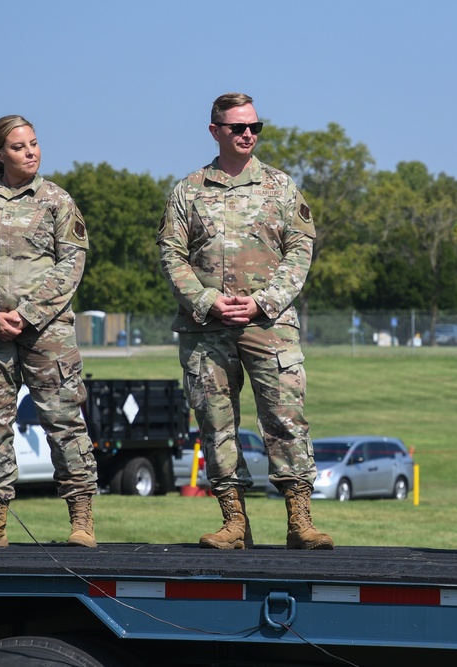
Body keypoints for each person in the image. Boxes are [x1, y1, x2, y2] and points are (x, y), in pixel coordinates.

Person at [158, 92, 332, 550]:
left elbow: (300, 249)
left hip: (269, 325)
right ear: (215, 131)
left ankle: (300, 521)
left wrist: (263, 302)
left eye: (255, 126)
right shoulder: (187, 190)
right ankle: (234, 521)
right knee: (216, 424)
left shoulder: (281, 186)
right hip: (205, 329)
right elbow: (171, 256)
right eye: (238, 127)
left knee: (285, 418)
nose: (248, 134)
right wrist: (207, 300)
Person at [0, 115, 98, 548]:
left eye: (34, 143)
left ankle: (81, 520)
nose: (30, 152)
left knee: (64, 423)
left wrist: (29, 314)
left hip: (47, 333)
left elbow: (71, 263)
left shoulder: (57, 201)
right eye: (19, 147)